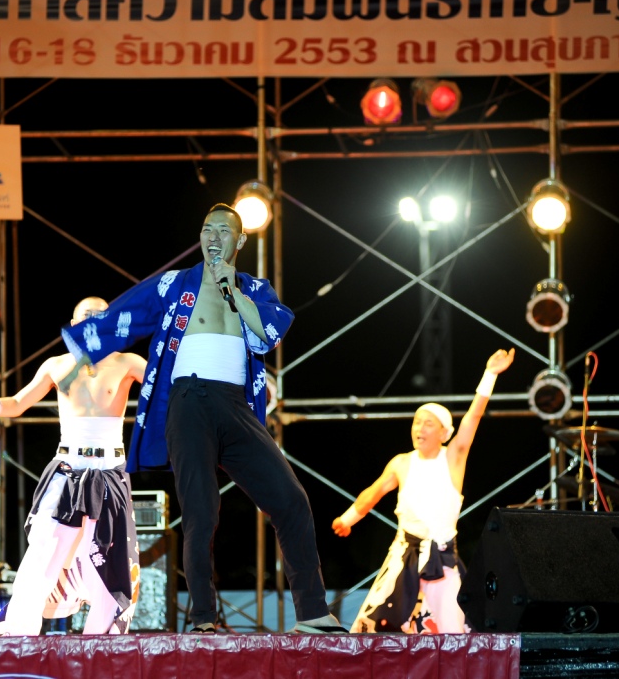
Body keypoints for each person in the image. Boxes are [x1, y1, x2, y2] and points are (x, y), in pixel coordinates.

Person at [56, 203, 346, 634]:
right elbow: (126, 313)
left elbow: (268, 334)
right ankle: (204, 619)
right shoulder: (176, 283)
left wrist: (235, 291)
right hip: (189, 400)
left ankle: (312, 612)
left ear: (239, 240)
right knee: (201, 511)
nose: (213, 237)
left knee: (291, 499)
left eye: (223, 231)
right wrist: (81, 357)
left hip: (236, 406)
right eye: (207, 229)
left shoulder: (253, 289)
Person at [0, 296, 147, 635]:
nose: (93, 320)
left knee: (106, 555)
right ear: (74, 323)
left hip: (109, 469)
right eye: (86, 315)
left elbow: (167, 382)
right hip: (68, 466)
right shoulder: (57, 365)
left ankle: (104, 637)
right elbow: (17, 403)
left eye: (100, 315)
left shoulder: (126, 361)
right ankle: (18, 630)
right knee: (44, 548)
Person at [332, 348, 515, 634]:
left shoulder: (452, 457)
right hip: (402, 557)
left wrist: (490, 374)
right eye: (417, 421)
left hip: (442, 561)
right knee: (375, 630)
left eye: (428, 423)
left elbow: (473, 417)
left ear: (444, 432)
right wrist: (347, 519)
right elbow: (374, 492)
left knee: (453, 632)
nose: (420, 428)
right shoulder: (402, 462)